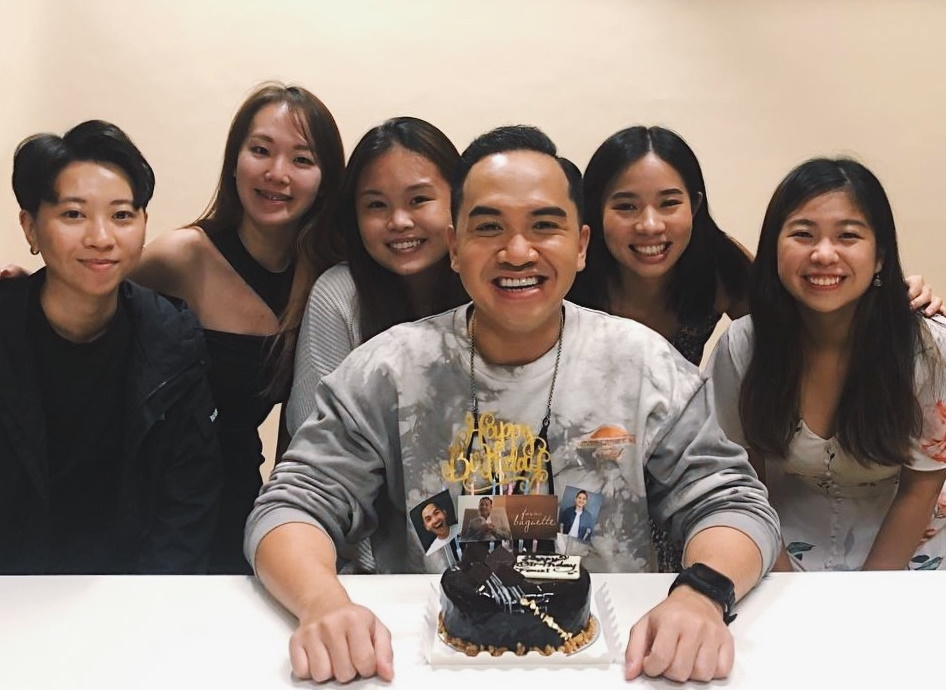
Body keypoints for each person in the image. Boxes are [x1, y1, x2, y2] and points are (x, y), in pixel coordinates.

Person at [245, 125, 780, 683]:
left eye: (544, 226)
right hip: (430, 665)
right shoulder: (387, 371)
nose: (518, 252)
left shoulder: (645, 367)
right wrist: (322, 603)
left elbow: (732, 502)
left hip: (618, 664)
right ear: (455, 247)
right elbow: (292, 505)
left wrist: (701, 596)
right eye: (489, 227)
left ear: (581, 245)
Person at [132, 83, 345, 573]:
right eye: (261, 150)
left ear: (325, 180)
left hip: (239, 503)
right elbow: (89, 300)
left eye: (302, 159)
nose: (277, 173)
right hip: (150, 502)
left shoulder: (326, 280)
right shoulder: (181, 256)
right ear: (234, 162)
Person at [0, 120, 221, 574]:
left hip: (129, 586)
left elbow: (189, 497)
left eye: (121, 215)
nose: (101, 238)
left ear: (143, 224)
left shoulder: (173, 337)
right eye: (73, 215)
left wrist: (149, 599)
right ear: (30, 227)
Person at [709, 157, 946, 572]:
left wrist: (867, 594)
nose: (823, 254)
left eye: (848, 236)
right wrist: (781, 581)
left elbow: (920, 487)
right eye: (802, 234)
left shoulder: (927, 348)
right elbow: (742, 481)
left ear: (880, 256)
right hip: (785, 539)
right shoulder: (743, 347)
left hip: (911, 542)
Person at [569, 125, 943, 367]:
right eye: (626, 206)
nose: (650, 225)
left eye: (669, 203)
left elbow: (801, 307)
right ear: (595, 211)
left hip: (675, 447)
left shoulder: (719, 266)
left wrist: (892, 291)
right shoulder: (570, 276)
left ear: (694, 206)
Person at [285, 116, 466, 435]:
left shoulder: (486, 283)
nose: (399, 221)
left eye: (418, 200)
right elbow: (314, 432)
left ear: (459, 199)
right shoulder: (340, 293)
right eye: (376, 205)